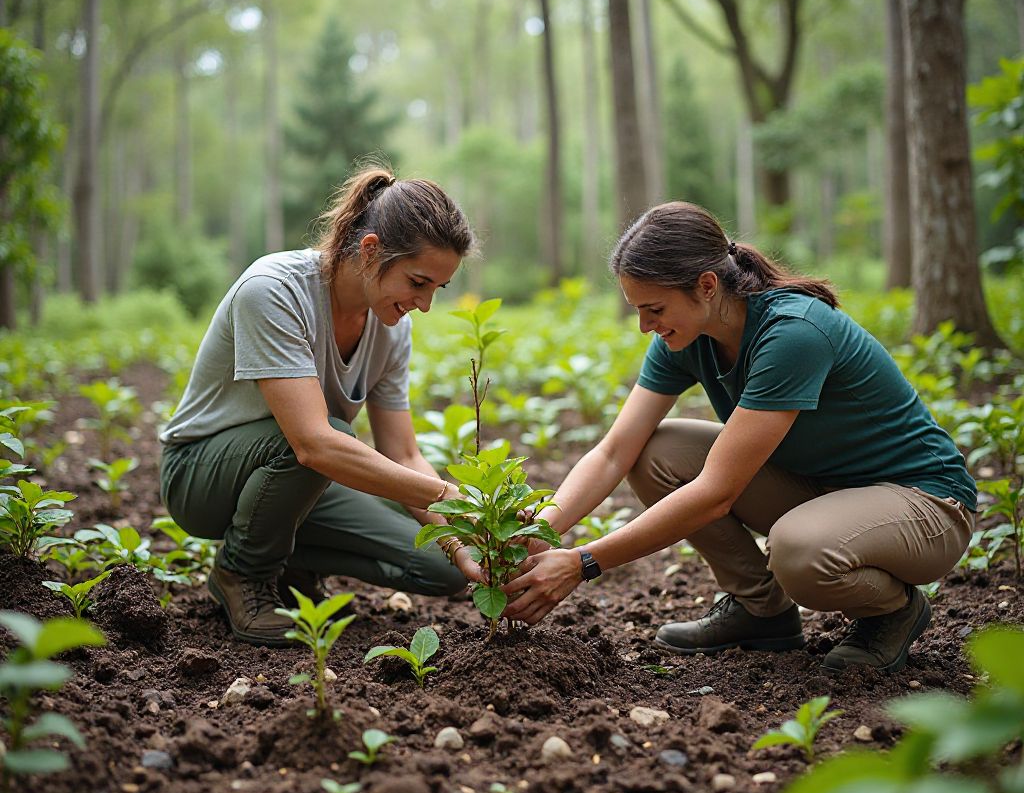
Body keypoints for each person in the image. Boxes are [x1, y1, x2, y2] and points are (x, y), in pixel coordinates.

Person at [502, 203, 976, 674]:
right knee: (655, 453)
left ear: (706, 286)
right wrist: (540, 530)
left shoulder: (793, 333)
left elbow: (715, 493)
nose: (645, 325)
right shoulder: (686, 336)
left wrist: (582, 563)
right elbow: (613, 451)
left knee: (799, 552)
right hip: (821, 487)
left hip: (924, 503)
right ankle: (761, 612)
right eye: (638, 310)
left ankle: (893, 611)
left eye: (654, 308)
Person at [159, 166, 482, 646]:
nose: (425, 304)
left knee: (442, 566)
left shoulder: (392, 326)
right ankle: (241, 574)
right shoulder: (273, 290)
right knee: (330, 436)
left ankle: (289, 558)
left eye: (437, 288)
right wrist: (440, 495)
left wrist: (464, 536)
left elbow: (404, 454)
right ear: (371, 251)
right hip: (202, 475)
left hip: (297, 476)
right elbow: (312, 443)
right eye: (418, 282)